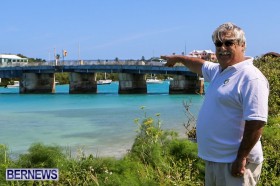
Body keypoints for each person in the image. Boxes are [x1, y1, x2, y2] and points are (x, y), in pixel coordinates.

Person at [161, 22, 269, 186]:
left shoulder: (251, 77)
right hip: (215, 160)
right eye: (218, 44)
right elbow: (199, 65)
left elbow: (256, 122)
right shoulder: (220, 70)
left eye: (229, 43)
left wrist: (241, 158)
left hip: (236, 163)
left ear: (242, 45)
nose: (222, 48)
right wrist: (178, 59)